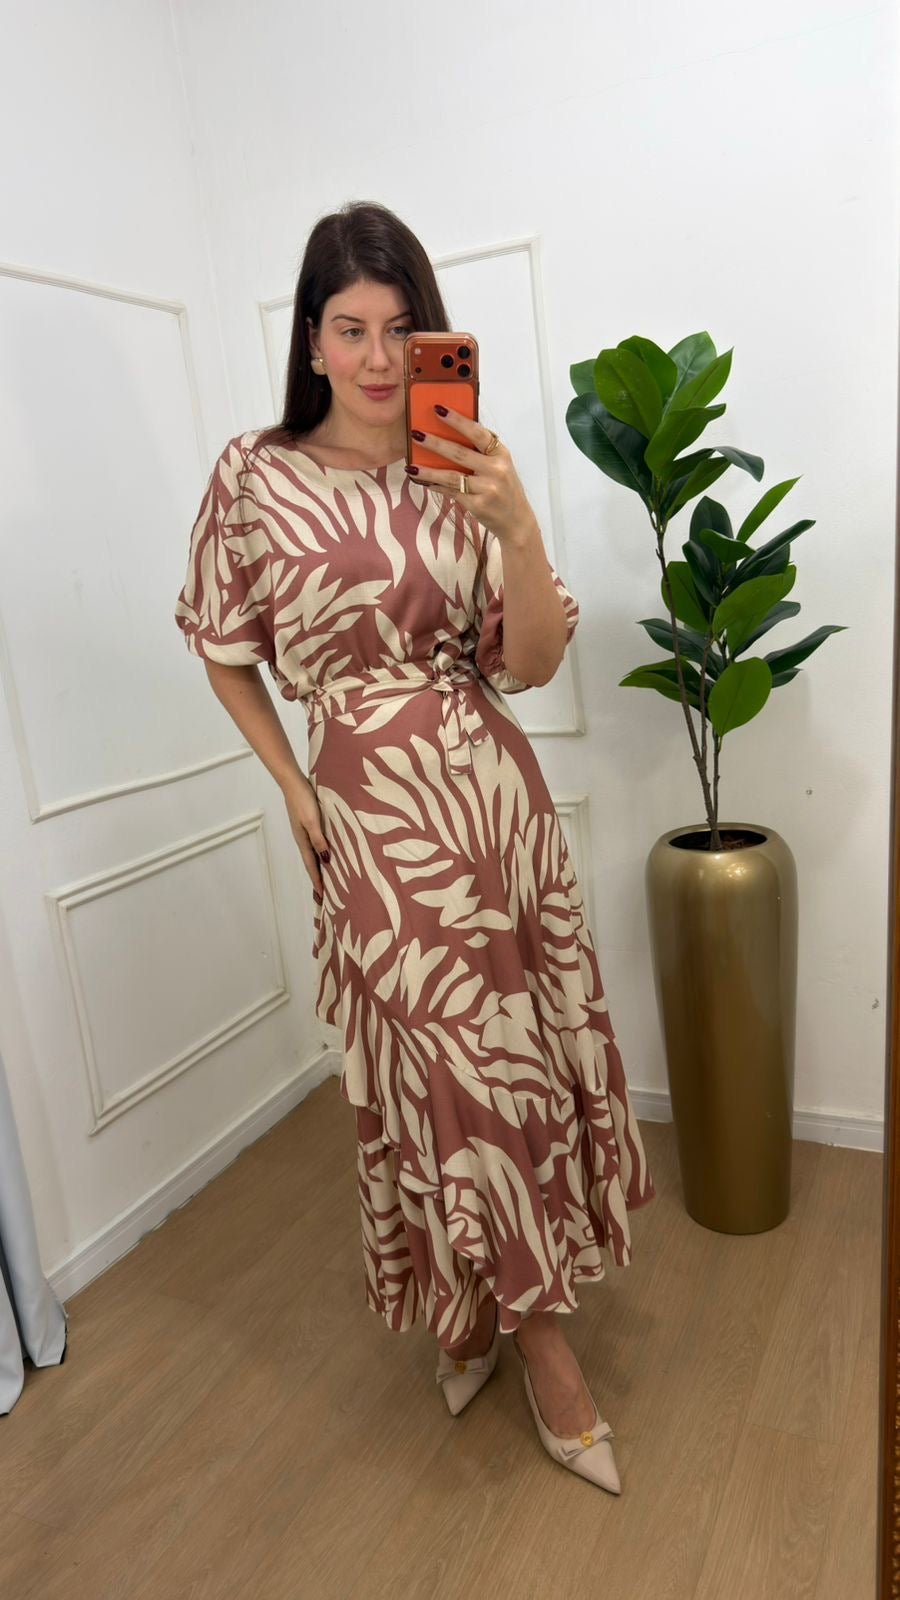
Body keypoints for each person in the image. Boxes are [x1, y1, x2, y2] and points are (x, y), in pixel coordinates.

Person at [175, 200, 656, 1494]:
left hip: (492, 805)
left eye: (402, 329)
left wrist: (516, 526)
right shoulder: (254, 478)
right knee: (440, 1074)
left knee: (511, 1064)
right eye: (351, 329)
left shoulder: (464, 470)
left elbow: (531, 665)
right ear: (312, 341)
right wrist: (290, 785)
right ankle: (531, 1343)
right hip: (367, 821)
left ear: (429, 335)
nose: (380, 359)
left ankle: (487, 1319)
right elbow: (220, 646)